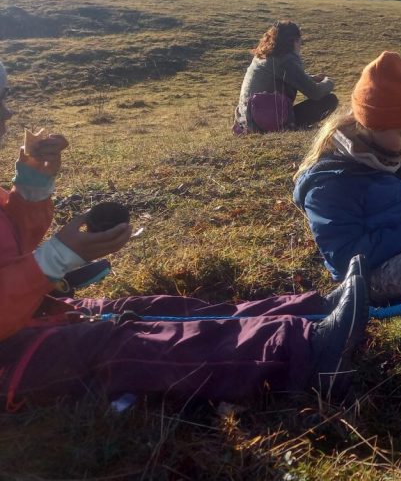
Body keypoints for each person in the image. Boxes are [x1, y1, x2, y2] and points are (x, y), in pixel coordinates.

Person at [0, 60, 368, 406]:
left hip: (36, 311)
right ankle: (309, 352)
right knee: (126, 345)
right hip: (11, 354)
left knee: (152, 309)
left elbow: (9, 246)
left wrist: (31, 189)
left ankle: (311, 312)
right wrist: (55, 259)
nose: (7, 113)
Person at [294, 52, 401, 304]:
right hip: (362, 273)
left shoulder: (388, 152)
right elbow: (344, 256)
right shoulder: (330, 185)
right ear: (373, 125)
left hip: (400, 242)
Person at [234, 20, 338, 134]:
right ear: (294, 41)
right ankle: (290, 126)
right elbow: (315, 92)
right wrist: (329, 81)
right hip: (264, 122)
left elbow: (285, 75)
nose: (300, 45)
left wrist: (311, 78)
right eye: (300, 41)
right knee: (329, 100)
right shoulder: (285, 60)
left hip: (246, 119)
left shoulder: (263, 55)